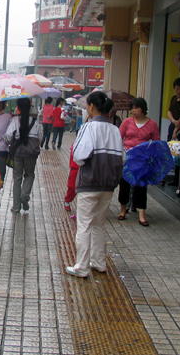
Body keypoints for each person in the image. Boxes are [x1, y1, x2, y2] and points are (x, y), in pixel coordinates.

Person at [66, 91, 125, 278]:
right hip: (108, 185)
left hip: (89, 183)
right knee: (99, 224)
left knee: (84, 225)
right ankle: (99, 263)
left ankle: (81, 267)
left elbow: (79, 156)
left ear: (91, 106)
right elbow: (123, 157)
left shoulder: (88, 127)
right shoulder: (115, 130)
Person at [118, 98, 160, 226]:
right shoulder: (127, 122)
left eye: (136, 108)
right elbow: (119, 137)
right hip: (128, 158)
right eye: (132, 108)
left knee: (141, 186)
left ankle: (142, 214)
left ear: (143, 109)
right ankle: (123, 210)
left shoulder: (152, 124)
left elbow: (156, 142)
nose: (133, 110)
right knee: (124, 184)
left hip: (143, 160)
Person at [4, 98, 43, 213]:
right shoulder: (35, 123)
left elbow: (8, 136)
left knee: (17, 178)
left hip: (18, 153)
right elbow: (40, 139)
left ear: (18, 108)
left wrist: (10, 143)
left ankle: (16, 206)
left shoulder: (15, 120)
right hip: (31, 154)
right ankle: (24, 196)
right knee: (29, 175)